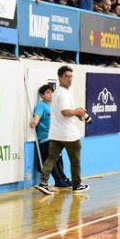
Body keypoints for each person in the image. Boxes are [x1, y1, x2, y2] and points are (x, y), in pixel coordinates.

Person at [35, 66, 90, 195]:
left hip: (56, 133)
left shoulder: (58, 93)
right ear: (60, 77)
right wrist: (78, 111)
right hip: (68, 134)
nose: (69, 79)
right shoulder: (63, 94)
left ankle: (43, 182)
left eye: (71, 76)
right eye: (66, 76)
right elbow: (65, 112)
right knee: (75, 161)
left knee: (51, 159)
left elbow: (64, 112)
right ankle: (77, 185)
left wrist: (77, 112)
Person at [29, 84, 72, 190]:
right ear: (42, 95)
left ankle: (63, 178)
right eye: (47, 92)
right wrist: (34, 122)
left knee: (59, 159)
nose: (51, 94)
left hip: (56, 137)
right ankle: (58, 180)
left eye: (52, 92)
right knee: (52, 160)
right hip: (45, 138)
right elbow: (37, 116)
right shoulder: (41, 105)